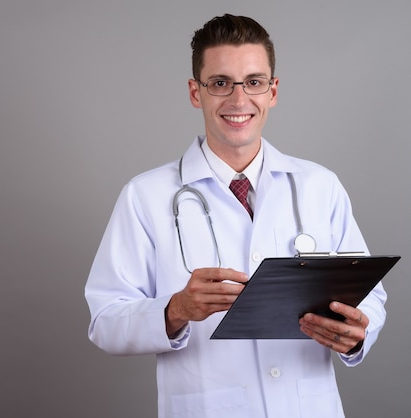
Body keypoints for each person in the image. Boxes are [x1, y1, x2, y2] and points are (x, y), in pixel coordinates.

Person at [84, 14, 386, 418]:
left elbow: (370, 297)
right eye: (221, 83)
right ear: (196, 92)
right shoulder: (146, 195)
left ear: (273, 91)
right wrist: (176, 310)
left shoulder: (319, 185)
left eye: (254, 82)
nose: (239, 100)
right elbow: (105, 321)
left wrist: (356, 331)